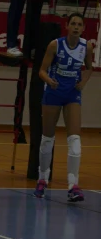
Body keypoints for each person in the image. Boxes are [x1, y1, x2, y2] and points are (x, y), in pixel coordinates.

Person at [34, 13, 93, 202]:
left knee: (75, 140)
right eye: (73, 24)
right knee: (47, 139)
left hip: (72, 94)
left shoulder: (87, 46)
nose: (76, 27)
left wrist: (83, 82)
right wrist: (48, 80)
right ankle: (42, 178)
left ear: (83, 28)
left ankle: (72, 185)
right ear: (66, 26)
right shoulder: (55, 45)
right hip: (53, 92)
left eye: (80, 24)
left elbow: (89, 67)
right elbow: (41, 70)